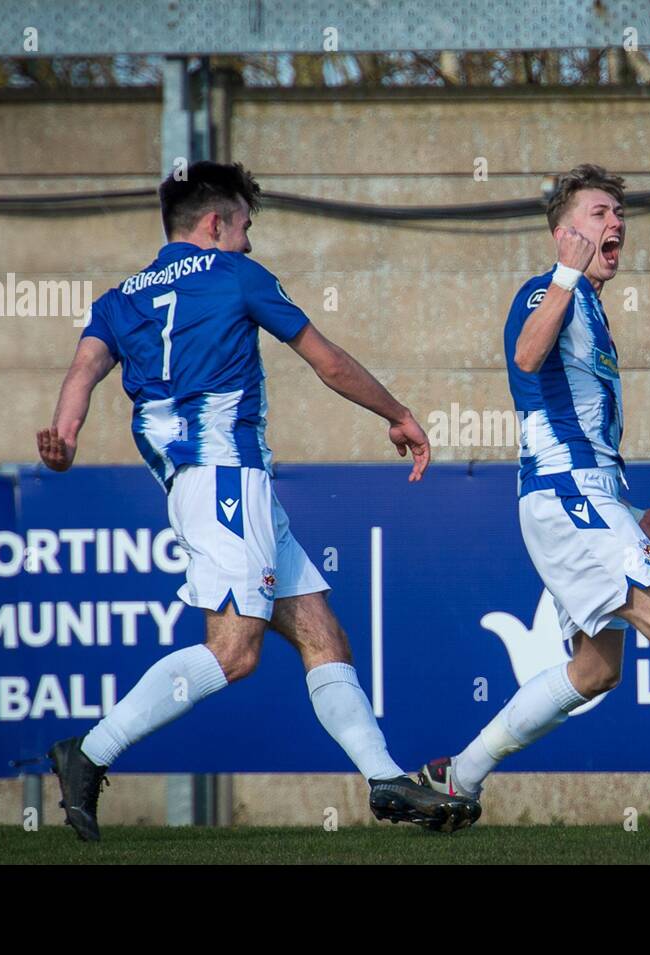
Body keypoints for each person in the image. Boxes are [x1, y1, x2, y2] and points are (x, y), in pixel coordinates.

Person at [37, 160, 480, 840]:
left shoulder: (119, 299)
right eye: (246, 226)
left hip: (207, 487)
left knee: (320, 630)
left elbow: (83, 370)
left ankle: (384, 778)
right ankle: (89, 752)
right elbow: (326, 358)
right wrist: (398, 413)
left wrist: (66, 433)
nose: (250, 241)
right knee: (235, 651)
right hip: (223, 481)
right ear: (215, 224)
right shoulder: (236, 275)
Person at [420, 164, 650, 824]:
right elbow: (526, 358)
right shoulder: (546, 291)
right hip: (566, 494)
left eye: (619, 213)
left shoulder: (588, 305)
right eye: (599, 213)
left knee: (594, 669)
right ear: (564, 233)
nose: (615, 222)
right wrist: (562, 273)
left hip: (587, 497)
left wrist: (632, 515)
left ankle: (461, 774)